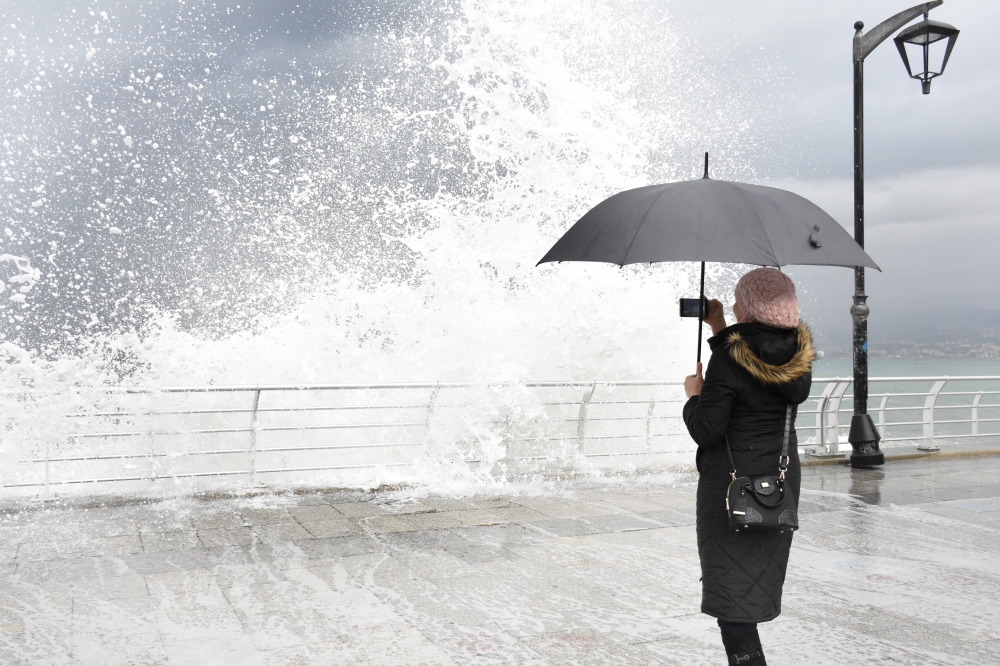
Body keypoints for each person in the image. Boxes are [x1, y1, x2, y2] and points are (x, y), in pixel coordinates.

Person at [682, 267, 813, 666]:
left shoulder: (728, 358)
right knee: (752, 583)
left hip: (731, 487)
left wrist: (693, 396)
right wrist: (719, 323)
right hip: (778, 481)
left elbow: (707, 429)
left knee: (731, 596)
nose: (736, 304)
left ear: (753, 307)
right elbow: (751, 360)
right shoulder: (797, 351)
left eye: (740, 299)